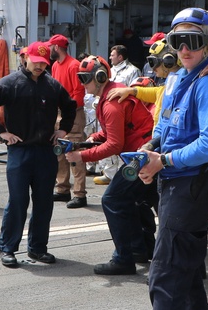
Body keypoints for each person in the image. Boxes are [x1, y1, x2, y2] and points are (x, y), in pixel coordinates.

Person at [108, 7, 208, 310]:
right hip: (175, 183)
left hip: (191, 186)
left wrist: (166, 161)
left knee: (164, 274)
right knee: (189, 268)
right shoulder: (179, 77)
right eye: (178, 41)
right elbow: (165, 126)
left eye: (194, 40)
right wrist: (149, 152)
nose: (184, 48)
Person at [0, 41, 77, 268]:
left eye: (44, 63)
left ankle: (38, 248)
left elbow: (70, 106)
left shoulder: (52, 86)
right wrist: (2, 132)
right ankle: (7, 248)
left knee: (44, 203)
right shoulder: (10, 84)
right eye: (36, 61)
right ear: (25, 58)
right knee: (18, 201)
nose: (40, 66)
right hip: (20, 152)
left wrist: (64, 129)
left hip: (45, 152)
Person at [64, 55, 155, 275]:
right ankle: (138, 250)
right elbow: (114, 132)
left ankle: (124, 259)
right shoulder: (109, 95)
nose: (82, 83)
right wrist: (96, 137)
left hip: (142, 156)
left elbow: (115, 144)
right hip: (142, 153)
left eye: (85, 78)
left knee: (113, 198)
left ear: (100, 76)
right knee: (133, 200)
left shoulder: (112, 102)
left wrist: (82, 157)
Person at [49, 34, 88, 209]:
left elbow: (79, 94)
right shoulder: (56, 65)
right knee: (60, 153)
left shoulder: (73, 66)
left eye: (50, 46)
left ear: (56, 47)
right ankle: (62, 189)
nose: (48, 50)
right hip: (61, 113)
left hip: (73, 113)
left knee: (75, 153)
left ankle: (79, 194)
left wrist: (66, 110)